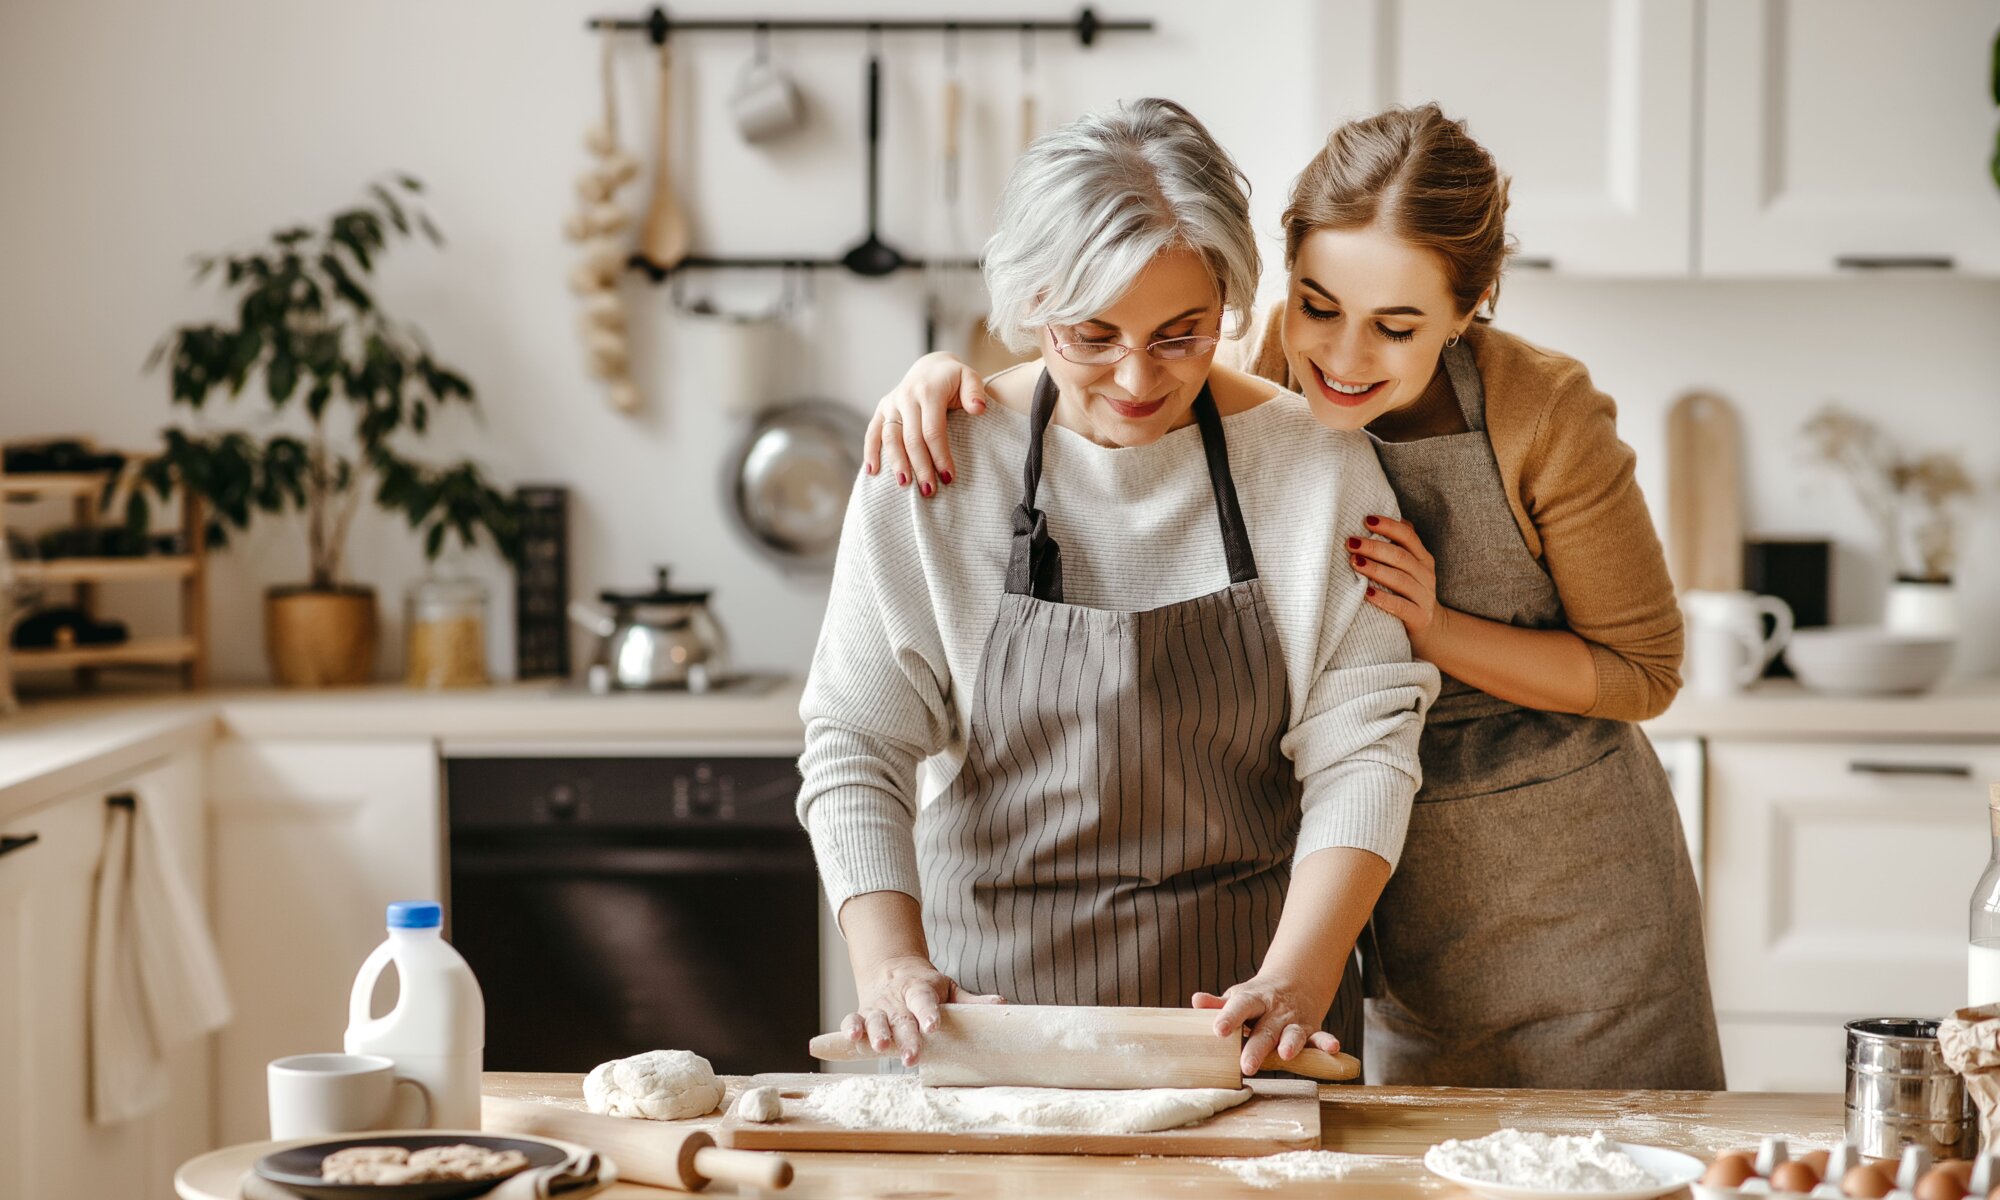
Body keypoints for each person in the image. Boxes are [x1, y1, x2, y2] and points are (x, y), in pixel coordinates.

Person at [861, 103, 1725, 1089]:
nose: (1343, 358)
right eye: (1317, 305)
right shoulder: (1259, 374)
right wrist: (943, 383)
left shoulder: (1542, 413)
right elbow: (1117, 357)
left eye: (1394, 327)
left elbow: (1641, 671)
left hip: (1568, 893)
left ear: (1471, 304)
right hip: (1380, 897)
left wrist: (1431, 629)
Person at [797, 98, 1437, 1079]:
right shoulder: (936, 463)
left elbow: (1364, 748)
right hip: (986, 1030)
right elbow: (855, 739)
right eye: (1090, 336)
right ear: (1029, 305)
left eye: (1183, 334)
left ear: (1228, 298)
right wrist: (889, 968)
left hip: (1246, 1032)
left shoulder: (1312, 468)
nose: (1137, 378)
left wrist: (1296, 983)